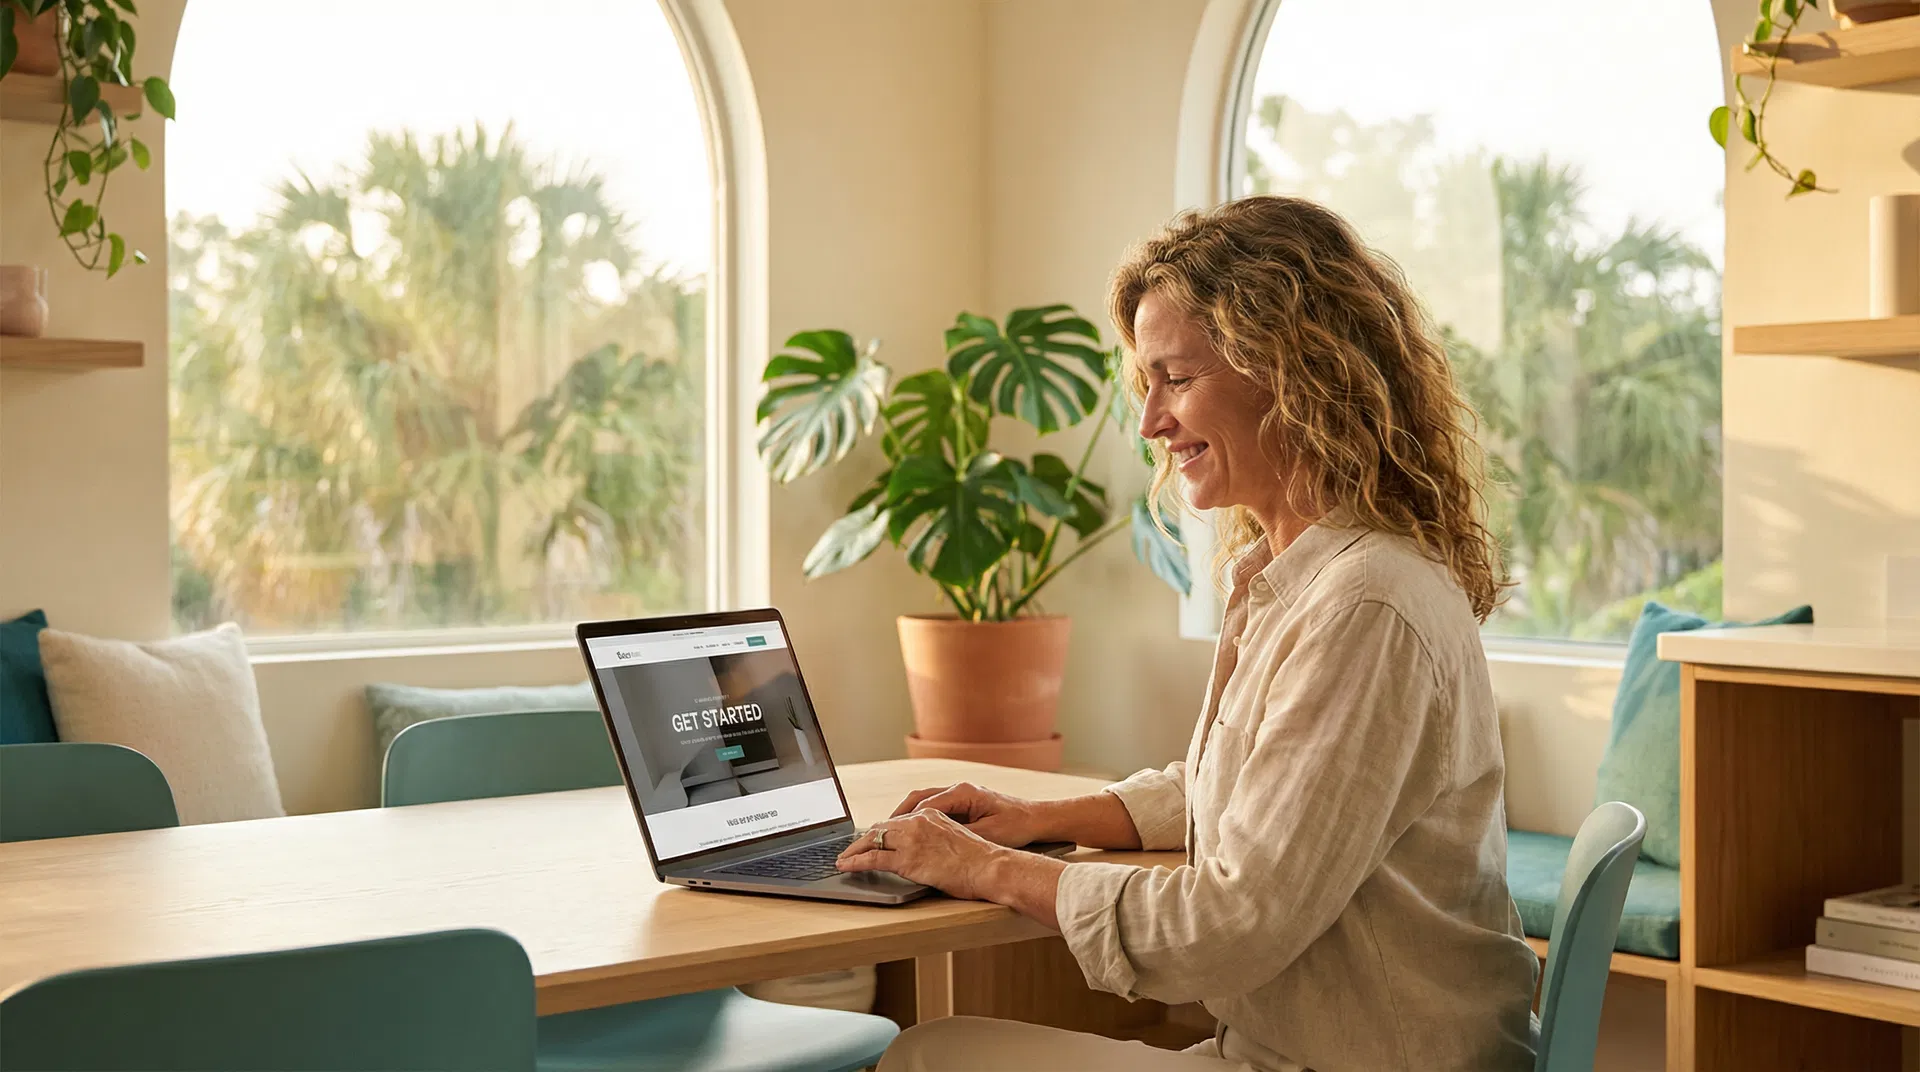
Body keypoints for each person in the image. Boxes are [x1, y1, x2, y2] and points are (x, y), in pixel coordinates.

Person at [836, 195, 1540, 1072]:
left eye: (1176, 378)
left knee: (930, 1056)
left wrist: (981, 867)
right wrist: (1035, 818)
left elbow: (1227, 926)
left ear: (1294, 372)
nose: (1151, 423)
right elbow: (1255, 784)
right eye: (1149, 383)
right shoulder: (1311, 577)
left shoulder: (1365, 607)